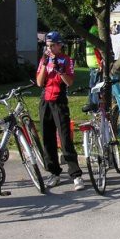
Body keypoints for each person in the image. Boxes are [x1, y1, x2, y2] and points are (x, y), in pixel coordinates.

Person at [36, 31, 85, 190]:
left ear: (59, 45)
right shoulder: (44, 59)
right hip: (45, 100)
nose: (49, 49)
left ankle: (76, 175)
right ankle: (54, 172)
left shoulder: (66, 60)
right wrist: (44, 64)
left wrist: (60, 70)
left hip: (59, 100)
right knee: (48, 138)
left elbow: (69, 82)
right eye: (47, 46)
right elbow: (39, 82)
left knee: (64, 138)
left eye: (52, 46)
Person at [83, 18, 102, 112]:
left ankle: (91, 105)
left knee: (92, 86)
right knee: (96, 87)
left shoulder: (91, 30)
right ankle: (95, 107)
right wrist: (100, 63)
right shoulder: (96, 30)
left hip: (91, 63)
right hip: (95, 63)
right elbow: (97, 49)